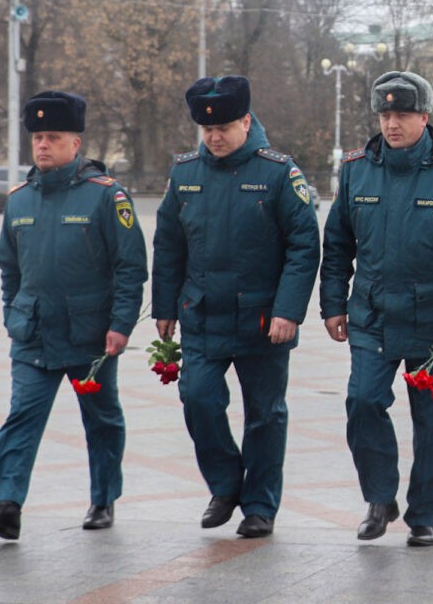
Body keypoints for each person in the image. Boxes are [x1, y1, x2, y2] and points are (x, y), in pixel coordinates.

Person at [320, 71, 433, 547]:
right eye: (385, 115)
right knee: (363, 402)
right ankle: (380, 499)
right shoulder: (357, 169)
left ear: (424, 116)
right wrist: (333, 303)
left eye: (402, 114)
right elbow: (337, 244)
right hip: (373, 314)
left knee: (431, 421)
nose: (392, 124)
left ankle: (426, 514)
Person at [0, 91, 148, 540]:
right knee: (22, 416)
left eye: (53, 137)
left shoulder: (106, 196)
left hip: (90, 336)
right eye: (38, 138)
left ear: (75, 143)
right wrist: (12, 314)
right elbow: (9, 268)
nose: (43, 145)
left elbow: (130, 267)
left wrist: (121, 325)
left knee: (102, 419)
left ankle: (103, 499)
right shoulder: (19, 200)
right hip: (34, 333)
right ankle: (4, 505)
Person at [151, 76, 320, 539]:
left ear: (246, 122)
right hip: (203, 313)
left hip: (264, 320)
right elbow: (168, 244)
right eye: (207, 130)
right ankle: (226, 485)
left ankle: (260, 506)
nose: (214, 137)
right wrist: (164, 306)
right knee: (198, 398)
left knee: (265, 414)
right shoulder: (185, 174)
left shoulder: (279, 173)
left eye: (223, 127)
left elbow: (304, 246)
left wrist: (289, 311)